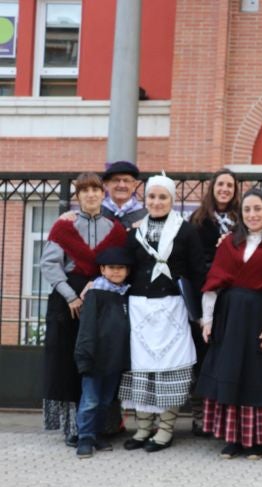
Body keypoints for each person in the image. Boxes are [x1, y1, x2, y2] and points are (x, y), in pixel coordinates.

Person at [197, 189, 262, 459]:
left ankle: (255, 441)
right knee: (230, 370)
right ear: (241, 214)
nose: (252, 215)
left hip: (259, 316)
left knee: (256, 374)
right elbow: (213, 284)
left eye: (258, 209)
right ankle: (232, 439)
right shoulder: (229, 243)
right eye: (248, 210)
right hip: (229, 316)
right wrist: (207, 319)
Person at [119, 173, 205, 453]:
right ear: (146, 200)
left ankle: (165, 429)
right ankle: (144, 428)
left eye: (162, 197)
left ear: (172, 199)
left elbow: (197, 270)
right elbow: (125, 269)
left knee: (169, 368)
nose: (157, 202)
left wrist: (202, 310)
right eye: (152, 197)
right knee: (140, 369)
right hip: (140, 308)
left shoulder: (186, 231)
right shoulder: (135, 233)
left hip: (172, 307)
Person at [41, 172, 127, 445]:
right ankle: (74, 429)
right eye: (84, 190)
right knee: (67, 361)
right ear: (77, 196)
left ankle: (100, 426)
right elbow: (49, 265)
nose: (91, 195)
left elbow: (121, 265)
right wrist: (71, 296)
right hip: (68, 300)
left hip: (103, 300)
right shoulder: (63, 227)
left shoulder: (115, 230)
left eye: (96, 190)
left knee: (101, 360)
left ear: (104, 194)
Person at [188, 168, 240, 436]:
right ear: (212, 187)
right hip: (204, 290)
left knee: (224, 355)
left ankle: (222, 416)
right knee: (202, 355)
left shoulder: (242, 218)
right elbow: (190, 260)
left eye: (230, 185)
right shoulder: (197, 219)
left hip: (233, 294)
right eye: (221, 184)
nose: (225, 189)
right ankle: (200, 415)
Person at [72, 247, 133, 458]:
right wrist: (85, 356)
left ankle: (98, 434)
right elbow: (87, 328)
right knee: (90, 400)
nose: (116, 272)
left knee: (106, 401)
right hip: (95, 358)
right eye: (111, 268)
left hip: (115, 360)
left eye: (121, 268)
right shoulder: (96, 293)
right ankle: (85, 437)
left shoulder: (126, 294)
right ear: (102, 270)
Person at [100, 160, 147, 229]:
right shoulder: (96, 213)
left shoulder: (145, 217)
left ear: (134, 186)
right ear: (106, 185)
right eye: (116, 180)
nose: (122, 185)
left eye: (126, 180)